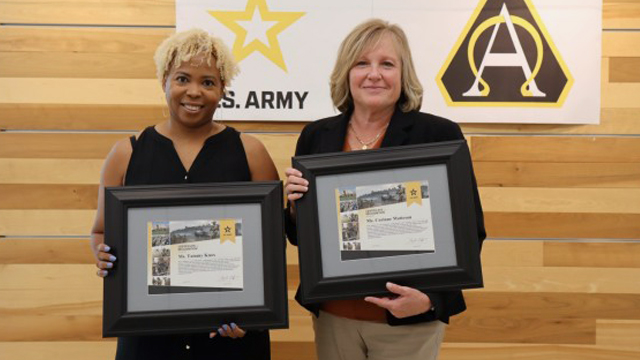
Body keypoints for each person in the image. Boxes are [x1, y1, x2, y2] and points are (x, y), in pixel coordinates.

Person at [284, 19, 486, 360]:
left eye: (387, 64)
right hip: (335, 318)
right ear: (347, 73)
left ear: (403, 74)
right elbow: (300, 237)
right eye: (362, 63)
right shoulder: (317, 136)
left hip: (407, 322)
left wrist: (429, 300)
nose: (373, 74)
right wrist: (292, 206)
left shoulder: (438, 135)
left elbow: (469, 230)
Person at [90, 28, 279, 360]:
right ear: (164, 79)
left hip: (230, 336)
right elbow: (101, 230)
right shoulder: (125, 154)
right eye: (182, 79)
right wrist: (102, 254)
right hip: (148, 336)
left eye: (208, 82)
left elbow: (270, 245)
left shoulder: (251, 152)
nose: (194, 92)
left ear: (223, 89)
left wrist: (253, 312)